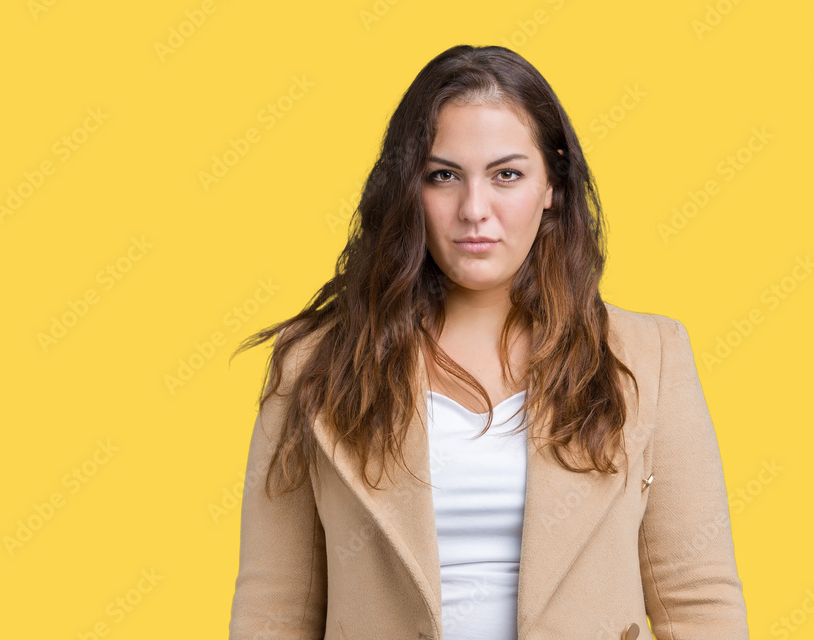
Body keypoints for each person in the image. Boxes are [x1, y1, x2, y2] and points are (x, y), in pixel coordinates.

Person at [226, 44, 749, 640]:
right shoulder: (315, 366)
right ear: (408, 189)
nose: (474, 209)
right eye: (443, 176)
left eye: (507, 175)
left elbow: (698, 603)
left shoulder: (649, 356)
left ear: (552, 184)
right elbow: (275, 612)